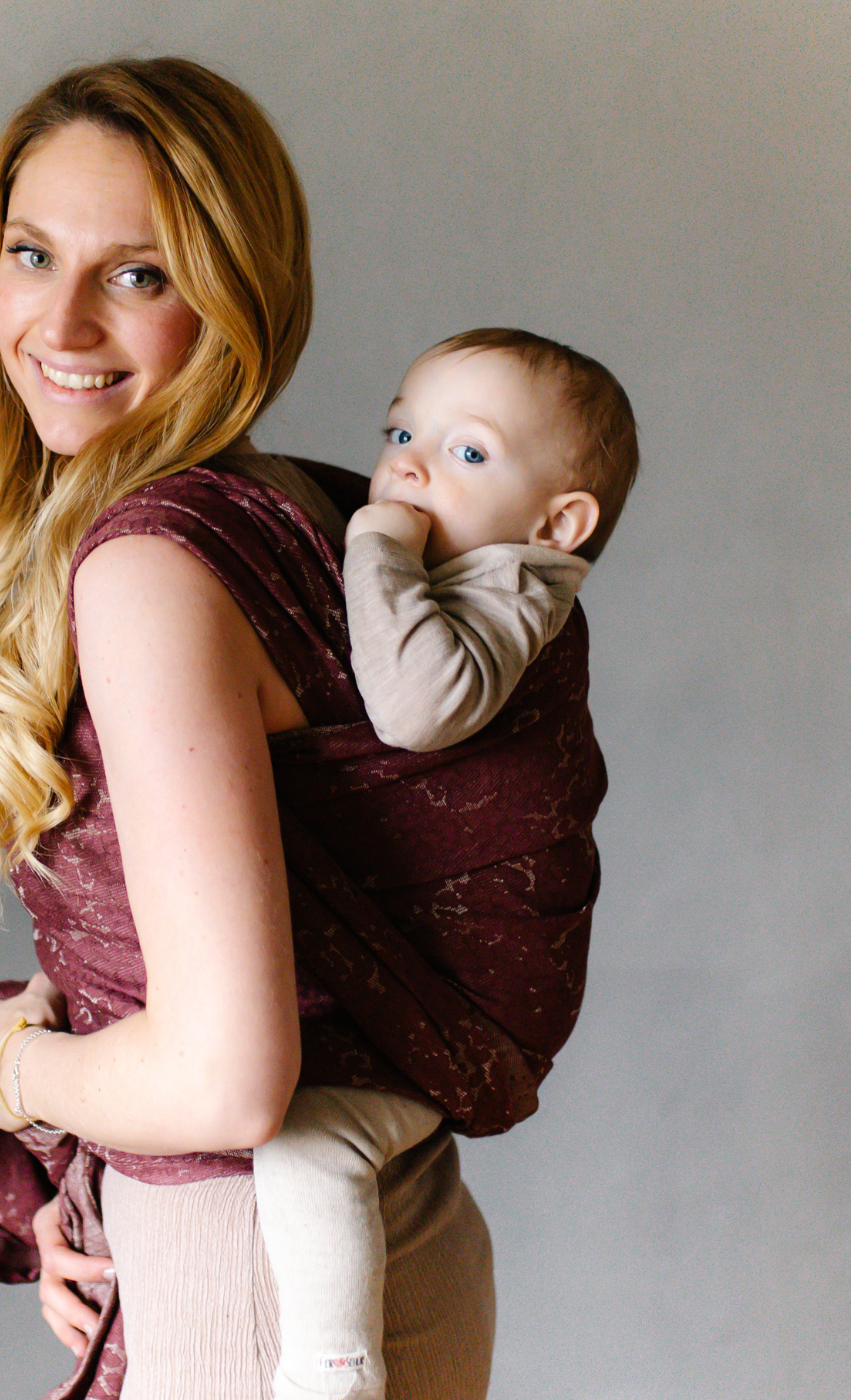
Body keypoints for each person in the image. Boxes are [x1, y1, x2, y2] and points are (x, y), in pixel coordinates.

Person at [0, 56, 607, 1400]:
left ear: (236, 298)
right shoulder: (324, 511)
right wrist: (99, 1172)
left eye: (139, 274)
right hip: (374, 1233)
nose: (60, 321)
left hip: (263, 1286)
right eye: (31, 253)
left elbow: (225, 1081)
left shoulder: (155, 567)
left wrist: (17, 1069)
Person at [252, 329, 638, 1399]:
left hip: (472, 990)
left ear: (558, 524)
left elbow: (418, 710)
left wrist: (374, 543)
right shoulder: (459, 571)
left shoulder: (517, 584)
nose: (409, 467)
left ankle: (333, 1367)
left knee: (310, 1139)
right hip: (430, 973)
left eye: (466, 452)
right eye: (400, 432)